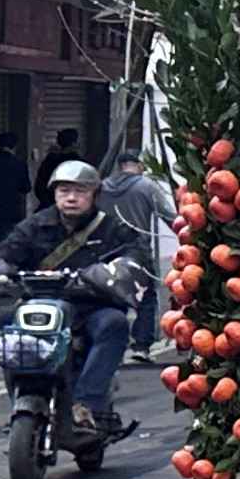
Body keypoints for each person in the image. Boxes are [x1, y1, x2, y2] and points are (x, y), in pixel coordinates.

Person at [0, 159, 141, 437]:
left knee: (114, 324)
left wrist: (115, 273)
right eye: (64, 190)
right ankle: (18, 400)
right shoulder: (35, 225)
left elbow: (135, 257)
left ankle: (86, 405)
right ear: (54, 193)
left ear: (94, 195)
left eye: (80, 191)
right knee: (4, 328)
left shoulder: (112, 229)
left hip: (90, 308)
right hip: (40, 304)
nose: (71, 197)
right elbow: (6, 252)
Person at [98, 150, 176, 361]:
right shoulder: (146, 186)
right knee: (146, 297)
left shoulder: (102, 186)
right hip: (137, 250)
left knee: (110, 297)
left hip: (105, 251)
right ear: (139, 165)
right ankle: (140, 346)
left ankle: (110, 346)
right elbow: (170, 217)